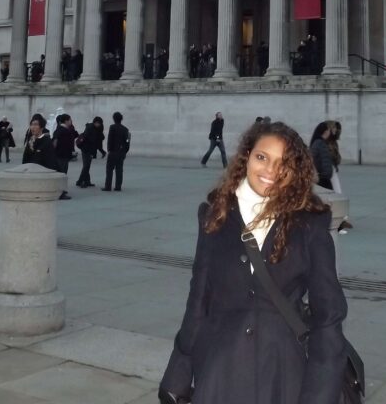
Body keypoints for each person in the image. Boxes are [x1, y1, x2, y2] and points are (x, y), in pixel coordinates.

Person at [159, 120, 349, 404]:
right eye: (262, 157)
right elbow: (199, 299)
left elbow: (329, 317)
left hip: (283, 371)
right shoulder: (215, 215)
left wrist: (319, 395)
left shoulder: (308, 222)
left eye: (283, 163)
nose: (271, 171)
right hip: (220, 367)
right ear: (247, 156)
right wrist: (179, 371)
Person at [51, 114, 76, 200]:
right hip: (63, 155)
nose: (71, 121)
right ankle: (61, 193)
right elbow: (56, 143)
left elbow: (54, 142)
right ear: (66, 121)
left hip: (58, 155)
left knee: (60, 173)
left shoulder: (58, 130)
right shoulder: (65, 131)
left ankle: (58, 191)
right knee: (62, 174)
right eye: (70, 120)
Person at [104, 111, 130, 191]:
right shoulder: (125, 129)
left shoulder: (112, 127)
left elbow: (110, 139)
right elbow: (128, 141)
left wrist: (109, 149)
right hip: (121, 152)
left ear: (114, 119)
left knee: (109, 169)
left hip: (113, 152)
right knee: (119, 170)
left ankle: (108, 186)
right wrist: (125, 151)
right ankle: (118, 186)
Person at [76, 116, 105, 188]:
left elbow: (99, 141)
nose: (99, 125)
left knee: (87, 166)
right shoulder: (89, 128)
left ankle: (86, 181)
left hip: (91, 150)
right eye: (98, 123)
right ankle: (81, 181)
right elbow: (87, 138)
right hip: (86, 149)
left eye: (100, 124)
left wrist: (101, 150)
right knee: (86, 166)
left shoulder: (98, 129)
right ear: (95, 122)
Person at [309, 121, 335, 189]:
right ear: (326, 131)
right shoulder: (321, 144)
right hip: (323, 180)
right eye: (329, 130)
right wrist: (326, 175)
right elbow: (325, 162)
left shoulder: (315, 143)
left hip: (318, 178)